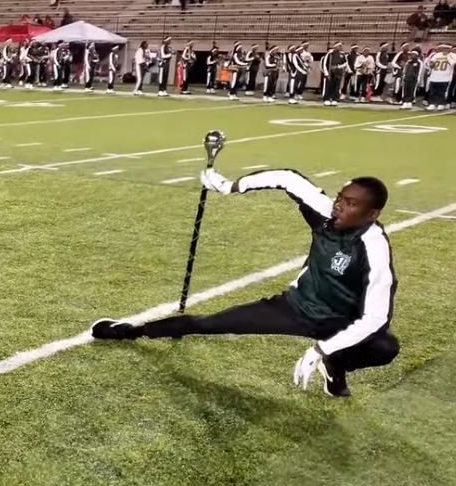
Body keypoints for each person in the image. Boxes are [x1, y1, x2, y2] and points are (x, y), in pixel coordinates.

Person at [93, 169, 399, 398]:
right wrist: (229, 187)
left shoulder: (374, 249)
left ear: (372, 214)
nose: (339, 207)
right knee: (209, 323)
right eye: (340, 199)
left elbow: (375, 318)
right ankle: (132, 331)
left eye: (351, 204)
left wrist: (323, 350)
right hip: (295, 307)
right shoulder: (325, 214)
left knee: (385, 347)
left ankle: (336, 365)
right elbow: (288, 178)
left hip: (341, 322)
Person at [424, 43, 453, 110]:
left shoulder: (452, 55)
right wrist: (431, 64)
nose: (444, 50)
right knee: (433, 91)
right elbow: (430, 64)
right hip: (435, 75)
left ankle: (441, 104)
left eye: (446, 48)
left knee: (442, 92)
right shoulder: (436, 55)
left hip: (445, 77)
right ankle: (432, 104)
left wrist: (447, 56)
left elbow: (452, 64)